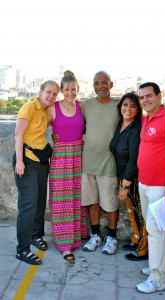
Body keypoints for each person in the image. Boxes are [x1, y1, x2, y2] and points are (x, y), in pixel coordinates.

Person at [136, 82, 165, 293]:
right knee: (156, 227)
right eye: (142, 97)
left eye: (149, 96)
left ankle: (159, 279)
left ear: (159, 96)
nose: (145, 100)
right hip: (144, 182)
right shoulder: (145, 118)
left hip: (160, 185)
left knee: (154, 230)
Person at [13, 80, 60, 265]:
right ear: (40, 91)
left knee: (41, 200)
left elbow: (42, 130)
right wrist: (19, 161)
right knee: (28, 205)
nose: (51, 96)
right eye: (48, 92)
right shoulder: (29, 107)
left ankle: (35, 235)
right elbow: (18, 135)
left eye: (55, 94)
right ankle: (22, 249)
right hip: (26, 161)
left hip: (41, 160)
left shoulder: (46, 110)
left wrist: (55, 135)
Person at [47, 71, 88, 262]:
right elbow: (38, 128)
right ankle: (65, 246)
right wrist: (52, 138)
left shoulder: (82, 107)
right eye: (67, 89)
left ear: (77, 89)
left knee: (76, 199)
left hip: (78, 157)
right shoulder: (53, 108)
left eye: (73, 89)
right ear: (61, 91)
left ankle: (77, 237)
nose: (70, 93)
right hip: (60, 158)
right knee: (61, 201)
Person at [81, 71, 120, 255]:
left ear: (111, 85)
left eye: (104, 83)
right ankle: (95, 235)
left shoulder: (120, 106)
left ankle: (112, 237)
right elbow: (75, 125)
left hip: (109, 163)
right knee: (92, 202)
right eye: (96, 83)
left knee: (111, 203)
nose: (100, 86)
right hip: (88, 163)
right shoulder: (86, 105)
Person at [110, 92, 148, 261]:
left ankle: (143, 250)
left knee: (140, 214)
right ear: (120, 107)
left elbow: (134, 159)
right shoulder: (121, 124)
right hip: (123, 175)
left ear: (138, 110)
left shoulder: (136, 128)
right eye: (125, 105)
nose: (128, 109)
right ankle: (136, 239)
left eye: (133, 106)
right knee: (132, 212)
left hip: (133, 178)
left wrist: (125, 185)